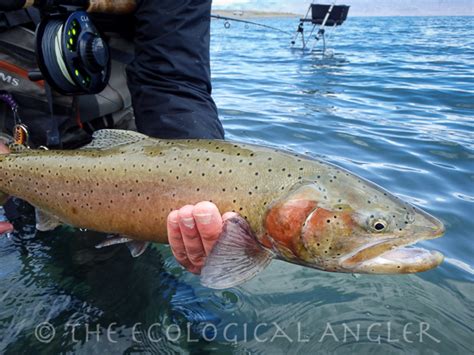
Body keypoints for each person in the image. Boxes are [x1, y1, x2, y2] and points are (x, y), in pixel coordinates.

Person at [0, 0, 232, 275]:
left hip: (117, 167)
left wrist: (199, 187)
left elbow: (172, 82)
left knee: (123, 285)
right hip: (13, 130)